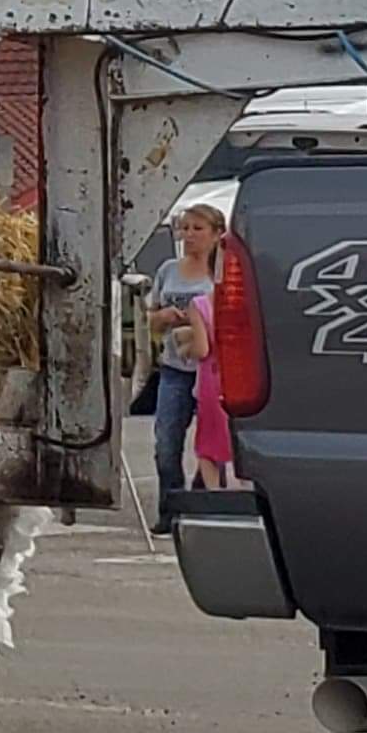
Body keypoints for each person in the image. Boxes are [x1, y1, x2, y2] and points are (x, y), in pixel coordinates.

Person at [148, 204, 227, 529]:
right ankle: (171, 506)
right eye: (185, 228)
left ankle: (200, 500)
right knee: (167, 440)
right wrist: (162, 317)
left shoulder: (222, 274)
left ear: (216, 234)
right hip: (174, 368)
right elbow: (149, 319)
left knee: (212, 442)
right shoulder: (168, 270)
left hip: (212, 371)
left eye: (198, 229)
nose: (189, 236)